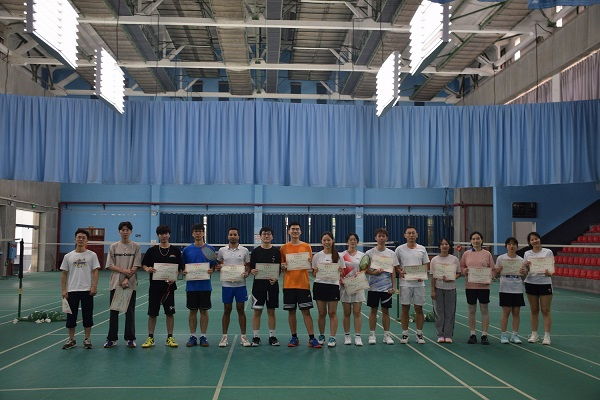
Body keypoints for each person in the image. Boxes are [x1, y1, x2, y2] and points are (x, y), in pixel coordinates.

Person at [280, 222, 321, 348]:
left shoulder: (306, 246)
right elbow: (282, 266)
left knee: (306, 312)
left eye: (297, 229)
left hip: (303, 285)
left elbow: (310, 265)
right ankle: (294, 337)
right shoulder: (283, 248)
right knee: (291, 312)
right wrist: (283, 266)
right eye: (293, 229)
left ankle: (312, 338)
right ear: (289, 231)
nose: (295, 231)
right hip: (289, 285)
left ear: (301, 231)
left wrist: (310, 263)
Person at [140, 225, 182, 348]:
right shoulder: (151, 251)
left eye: (166, 233)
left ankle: (170, 337)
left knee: (170, 313)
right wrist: (148, 269)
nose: (164, 236)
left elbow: (179, 268)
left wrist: (174, 277)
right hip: (154, 287)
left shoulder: (175, 251)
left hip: (169, 288)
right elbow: (144, 264)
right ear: (158, 235)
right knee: (152, 313)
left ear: (169, 234)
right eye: (161, 234)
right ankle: (150, 338)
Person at [60, 229, 100, 349]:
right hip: (72, 291)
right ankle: (71, 339)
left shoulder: (92, 255)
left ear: (87, 240)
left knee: (87, 316)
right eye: (79, 237)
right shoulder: (68, 256)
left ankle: (87, 339)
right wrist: (64, 289)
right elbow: (64, 273)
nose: (81, 239)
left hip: (87, 290)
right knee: (71, 317)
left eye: (83, 237)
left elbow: (95, 271)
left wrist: (94, 286)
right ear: (75, 239)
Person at [104, 221, 141, 348]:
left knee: (130, 312)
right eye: (123, 230)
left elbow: (136, 265)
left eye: (127, 230)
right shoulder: (113, 246)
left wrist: (126, 278)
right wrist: (123, 271)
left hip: (130, 284)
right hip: (115, 283)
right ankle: (111, 339)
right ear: (119, 231)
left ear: (131, 232)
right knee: (114, 311)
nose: (125, 232)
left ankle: (130, 338)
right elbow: (109, 265)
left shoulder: (136, 246)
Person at [182, 224, 217, 347]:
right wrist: (184, 271)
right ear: (192, 234)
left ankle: (203, 336)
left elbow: (213, 265)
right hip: (191, 286)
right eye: (196, 231)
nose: (198, 233)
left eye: (200, 231)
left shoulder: (210, 249)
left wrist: (212, 270)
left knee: (203, 311)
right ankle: (192, 336)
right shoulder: (187, 250)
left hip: (205, 286)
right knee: (192, 311)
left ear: (203, 233)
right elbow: (183, 266)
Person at [216, 227, 251, 347]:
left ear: (238, 236)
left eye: (235, 234)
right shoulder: (222, 250)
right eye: (231, 234)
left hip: (240, 285)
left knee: (241, 309)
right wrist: (218, 267)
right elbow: (218, 263)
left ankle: (243, 337)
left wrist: (247, 272)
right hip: (227, 285)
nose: (233, 236)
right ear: (228, 236)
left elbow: (248, 266)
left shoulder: (244, 250)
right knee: (227, 310)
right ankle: (224, 337)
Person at [395, 226, 430, 344]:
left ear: (417, 235)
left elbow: (426, 265)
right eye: (409, 233)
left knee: (419, 309)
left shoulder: (422, 249)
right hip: (405, 284)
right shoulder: (399, 249)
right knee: (405, 308)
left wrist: (423, 275)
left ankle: (419, 334)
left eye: (413, 233)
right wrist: (400, 271)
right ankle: (405, 334)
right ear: (405, 235)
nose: (411, 235)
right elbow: (396, 265)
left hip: (419, 284)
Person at [460, 231, 495, 345]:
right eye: (474, 239)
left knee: (484, 310)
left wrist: (490, 277)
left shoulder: (487, 254)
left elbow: (493, 269)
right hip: (470, 286)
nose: (476, 241)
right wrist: (464, 271)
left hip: (484, 287)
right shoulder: (466, 254)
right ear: (471, 241)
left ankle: (484, 335)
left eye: (478, 238)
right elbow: (461, 267)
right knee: (471, 310)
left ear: (482, 240)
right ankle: (472, 334)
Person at [249, 226, 281, 346]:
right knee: (257, 311)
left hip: (272, 286)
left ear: (272, 236)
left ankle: (272, 336)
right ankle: (256, 337)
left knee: (271, 311)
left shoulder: (277, 252)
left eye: (268, 234)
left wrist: (276, 278)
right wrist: (252, 271)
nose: (266, 236)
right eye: (264, 234)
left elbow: (278, 269)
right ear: (260, 236)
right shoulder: (255, 252)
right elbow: (252, 268)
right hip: (258, 286)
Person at [365, 228, 397, 345]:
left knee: (385, 311)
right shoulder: (369, 253)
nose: (381, 238)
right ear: (376, 238)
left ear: (386, 238)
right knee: (373, 310)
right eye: (379, 236)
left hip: (386, 288)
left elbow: (393, 271)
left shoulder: (391, 254)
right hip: (373, 287)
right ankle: (372, 335)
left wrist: (393, 286)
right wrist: (374, 273)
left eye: (383, 236)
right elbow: (365, 269)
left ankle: (386, 335)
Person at [312, 231, 345, 347]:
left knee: (332, 312)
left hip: (333, 286)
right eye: (324, 240)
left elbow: (342, 273)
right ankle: (321, 335)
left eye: (328, 240)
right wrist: (315, 271)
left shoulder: (339, 256)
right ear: (321, 242)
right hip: (319, 285)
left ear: (332, 241)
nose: (326, 242)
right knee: (321, 313)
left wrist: (340, 271)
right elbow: (314, 274)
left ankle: (332, 337)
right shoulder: (317, 256)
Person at [523, 232, 554, 345]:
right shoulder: (527, 253)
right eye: (532, 240)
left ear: (539, 239)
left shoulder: (548, 252)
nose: (534, 241)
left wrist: (548, 273)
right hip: (531, 283)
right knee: (534, 310)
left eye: (536, 239)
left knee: (546, 311)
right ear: (529, 242)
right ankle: (534, 334)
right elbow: (525, 271)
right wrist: (526, 267)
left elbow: (551, 270)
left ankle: (547, 336)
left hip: (545, 283)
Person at [495, 237, 527, 345]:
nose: (511, 246)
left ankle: (515, 335)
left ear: (517, 246)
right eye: (509, 244)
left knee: (516, 312)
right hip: (505, 288)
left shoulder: (521, 260)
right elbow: (496, 275)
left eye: (514, 244)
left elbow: (524, 277)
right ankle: (504, 334)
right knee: (506, 312)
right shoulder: (501, 258)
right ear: (506, 246)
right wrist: (498, 271)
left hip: (517, 289)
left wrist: (524, 273)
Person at [429, 238, 461, 343]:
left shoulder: (454, 259)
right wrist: (432, 290)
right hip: (438, 288)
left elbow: (459, 273)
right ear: (439, 246)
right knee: (439, 312)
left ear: (449, 246)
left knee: (450, 312)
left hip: (450, 288)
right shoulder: (434, 260)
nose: (444, 246)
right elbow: (432, 276)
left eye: (446, 244)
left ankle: (448, 335)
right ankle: (440, 334)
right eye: (442, 244)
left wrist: (452, 278)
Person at [340, 233, 365, 346]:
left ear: (357, 242)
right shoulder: (341, 255)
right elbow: (339, 270)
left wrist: (361, 273)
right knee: (346, 312)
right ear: (347, 242)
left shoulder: (362, 255)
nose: (353, 241)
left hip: (357, 285)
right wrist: (341, 279)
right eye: (350, 240)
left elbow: (364, 269)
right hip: (345, 286)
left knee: (357, 312)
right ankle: (347, 336)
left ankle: (358, 336)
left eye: (355, 240)